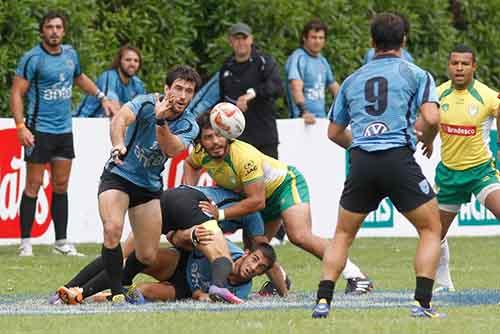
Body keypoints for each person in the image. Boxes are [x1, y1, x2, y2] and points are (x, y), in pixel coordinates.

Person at [311, 13, 445, 319]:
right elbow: (433, 118)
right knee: (430, 228)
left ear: (372, 43)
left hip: (361, 163)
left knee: (342, 234)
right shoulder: (416, 74)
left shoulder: (351, 80)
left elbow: (333, 132)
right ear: (404, 41)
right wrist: (429, 138)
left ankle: (323, 300)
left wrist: (360, 149)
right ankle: (422, 304)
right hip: (398, 159)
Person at [184, 111, 373, 297]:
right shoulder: (201, 153)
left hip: (284, 185)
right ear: (200, 141)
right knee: (257, 248)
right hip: (258, 198)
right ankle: (281, 281)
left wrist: (221, 214)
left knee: (299, 235)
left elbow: (256, 201)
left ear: (228, 133)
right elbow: (190, 164)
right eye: (208, 137)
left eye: (219, 134)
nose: (215, 141)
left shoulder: (243, 156)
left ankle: (356, 276)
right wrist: (187, 193)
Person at [10, 11, 118, 257]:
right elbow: (17, 92)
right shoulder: (33, 59)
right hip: (39, 131)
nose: (54, 31)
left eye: (58, 27)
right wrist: (20, 126)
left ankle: (61, 241)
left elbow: (79, 78)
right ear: (42, 31)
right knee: (33, 185)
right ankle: (25, 242)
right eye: (50, 27)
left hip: (64, 131)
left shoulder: (71, 55)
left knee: (61, 185)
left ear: (64, 31)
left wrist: (102, 98)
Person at [51, 186, 275, 304]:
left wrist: (199, 293)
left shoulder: (243, 290)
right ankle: (73, 288)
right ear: (246, 253)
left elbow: (268, 257)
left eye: (259, 269)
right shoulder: (225, 238)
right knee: (129, 255)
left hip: (183, 288)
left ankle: (85, 294)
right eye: (254, 260)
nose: (252, 268)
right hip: (181, 257)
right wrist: (189, 236)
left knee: (141, 285)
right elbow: (178, 239)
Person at [98, 65, 201, 304]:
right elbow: (120, 119)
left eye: (189, 90)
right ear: (166, 89)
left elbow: (172, 149)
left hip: (148, 189)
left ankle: (118, 283)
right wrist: (117, 144)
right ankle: (116, 295)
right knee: (112, 229)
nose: (183, 95)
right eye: (178, 88)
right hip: (119, 176)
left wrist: (160, 121)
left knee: (147, 254)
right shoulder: (145, 103)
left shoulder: (189, 124)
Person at [433, 45, 500, 292]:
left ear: (474, 67)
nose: (459, 68)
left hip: (481, 172)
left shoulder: (488, 95)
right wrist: (428, 140)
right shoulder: (437, 94)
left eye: (465, 63)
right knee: (433, 233)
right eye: (455, 63)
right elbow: (428, 121)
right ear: (449, 66)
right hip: (449, 174)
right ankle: (443, 283)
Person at [285, 19, 339, 125]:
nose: (317, 41)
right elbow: (295, 87)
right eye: (313, 37)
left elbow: (334, 87)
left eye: (321, 38)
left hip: (321, 120)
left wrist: (350, 106)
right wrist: (304, 112)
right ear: (304, 38)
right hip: (302, 120)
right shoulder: (298, 58)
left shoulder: (322, 60)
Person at [74, 45, 145, 117]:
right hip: (86, 120)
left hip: (110, 122)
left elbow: (143, 109)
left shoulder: (138, 83)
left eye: (136, 61)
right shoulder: (109, 77)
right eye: (128, 60)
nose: (132, 64)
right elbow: (113, 106)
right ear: (119, 61)